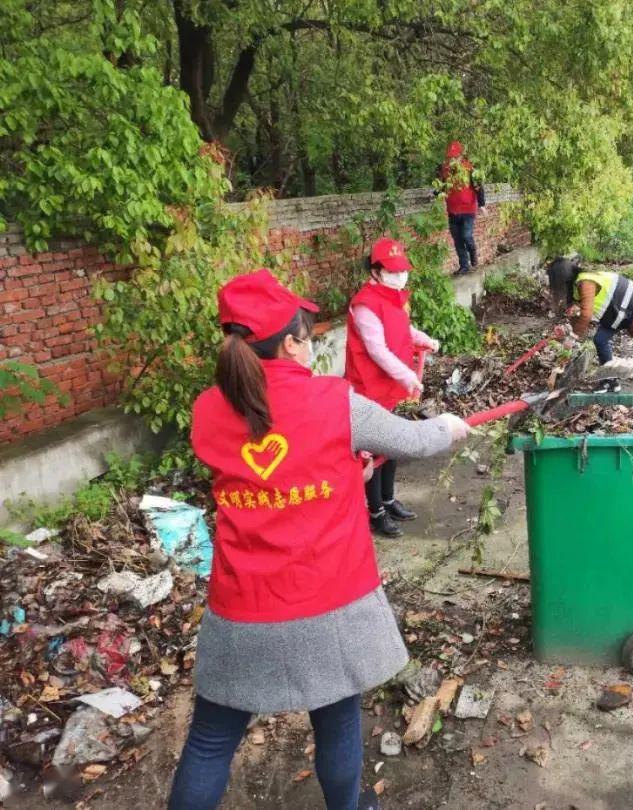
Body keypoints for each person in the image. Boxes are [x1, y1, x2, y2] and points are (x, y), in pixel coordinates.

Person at [171, 269, 469, 810]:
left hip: (241, 610)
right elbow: (418, 440)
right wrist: (450, 426)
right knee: (337, 723)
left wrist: (339, 473)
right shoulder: (336, 402)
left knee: (211, 741)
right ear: (290, 343)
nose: (311, 349)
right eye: (308, 338)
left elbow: (266, 474)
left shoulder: (205, 411)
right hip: (327, 603)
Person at [345, 238, 441, 538]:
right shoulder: (365, 305)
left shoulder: (394, 296)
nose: (400, 276)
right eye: (392, 271)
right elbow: (377, 350)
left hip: (390, 386)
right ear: (375, 271)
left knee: (393, 443)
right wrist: (407, 376)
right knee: (374, 451)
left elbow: (403, 329)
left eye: (402, 270)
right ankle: (375, 512)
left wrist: (422, 338)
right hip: (370, 386)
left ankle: (388, 499)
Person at [545, 256, 633, 364]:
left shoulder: (585, 282)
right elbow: (579, 314)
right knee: (600, 340)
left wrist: (573, 337)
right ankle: (609, 379)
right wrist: (571, 330)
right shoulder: (575, 287)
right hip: (617, 314)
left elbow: (586, 314)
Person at [438, 141, 485, 276]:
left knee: (466, 235)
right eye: (450, 157)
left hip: (467, 210)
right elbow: (442, 186)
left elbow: (478, 187)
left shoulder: (470, 169)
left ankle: (473, 251)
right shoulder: (445, 170)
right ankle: (464, 266)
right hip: (452, 210)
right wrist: (438, 193)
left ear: (461, 156)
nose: (452, 159)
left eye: (455, 157)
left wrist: (481, 204)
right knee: (458, 239)